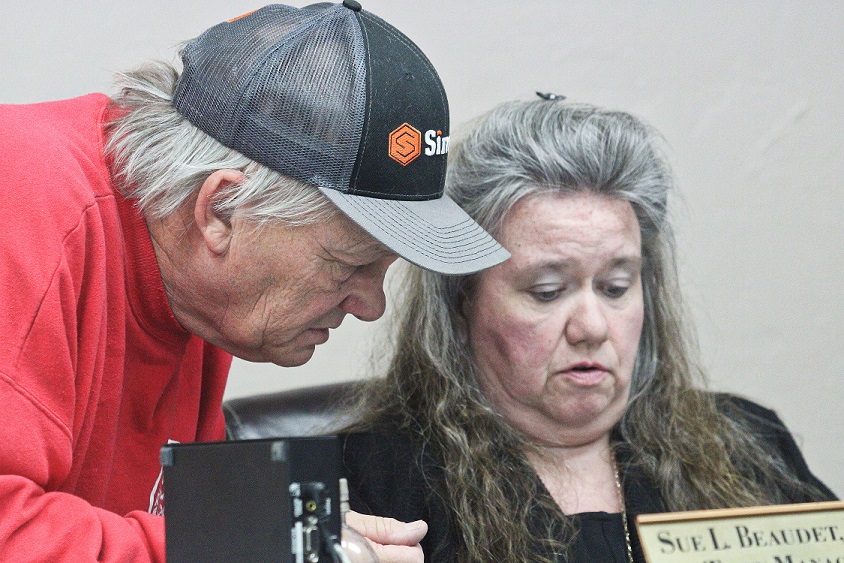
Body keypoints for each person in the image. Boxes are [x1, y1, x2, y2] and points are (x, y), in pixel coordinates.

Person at [0, 3, 509, 561]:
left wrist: (314, 541)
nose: (372, 306)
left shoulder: (196, 290)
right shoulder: (20, 202)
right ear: (219, 210)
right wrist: (276, 551)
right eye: (347, 264)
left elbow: (182, 535)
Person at [340, 96, 837, 562]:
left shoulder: (748, 442)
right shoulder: (375, 482)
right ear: (462, 302)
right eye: (548, 292)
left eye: (617, 287)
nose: (592, 327)